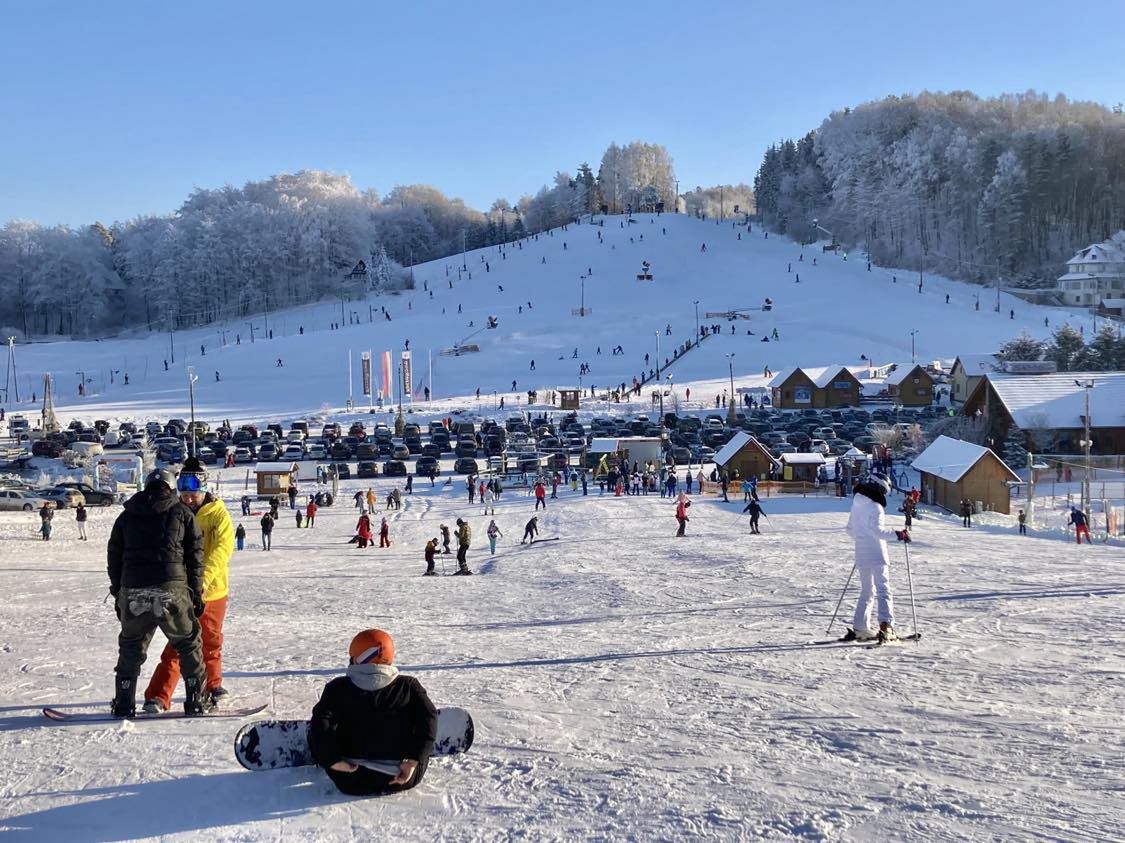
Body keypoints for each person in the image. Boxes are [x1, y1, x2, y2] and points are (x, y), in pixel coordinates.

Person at [107, 468, 212, 717]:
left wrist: (118, 592)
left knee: (131, 645)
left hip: (133, 588)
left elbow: (114, 556)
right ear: (171, 487)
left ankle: (124, 702)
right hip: (171, 587)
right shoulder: (182, 512)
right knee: (187, 643)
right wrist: (196, 594)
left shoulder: (126, 516)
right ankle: (196, 700)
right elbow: (195, 557)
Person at [143, 457, 234, 712]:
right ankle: (159, 695)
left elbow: (221, 550)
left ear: (203, 490)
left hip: (212, 591)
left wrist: (204, 579)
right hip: (181, 590)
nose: (188, 497)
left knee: (210, 640)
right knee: (178, 643)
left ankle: (213, 686)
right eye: (183, 492)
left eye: (193, 492)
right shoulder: (176, 513)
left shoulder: (217, 514)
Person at [309, 629, 438, 797]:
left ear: (355, 658)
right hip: (401, 778)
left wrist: (332, 761)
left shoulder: (337, 688)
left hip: (351, 779)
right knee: (419, 717)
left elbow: (320, 723)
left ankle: (325, 753)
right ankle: (413, 751)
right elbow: (430, 717)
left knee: (319, 722)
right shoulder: (409, 686)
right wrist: (413, 761)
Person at [842, 474, 910, 643]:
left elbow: (850, 529)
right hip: (877, 554)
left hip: (861, 554)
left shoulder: (856, 503)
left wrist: (861, 538)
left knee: (867, 591)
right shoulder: (875, 507)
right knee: (883, 589)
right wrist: (898, 534)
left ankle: (860, 627)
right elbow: (878, 532)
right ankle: (886, 627)